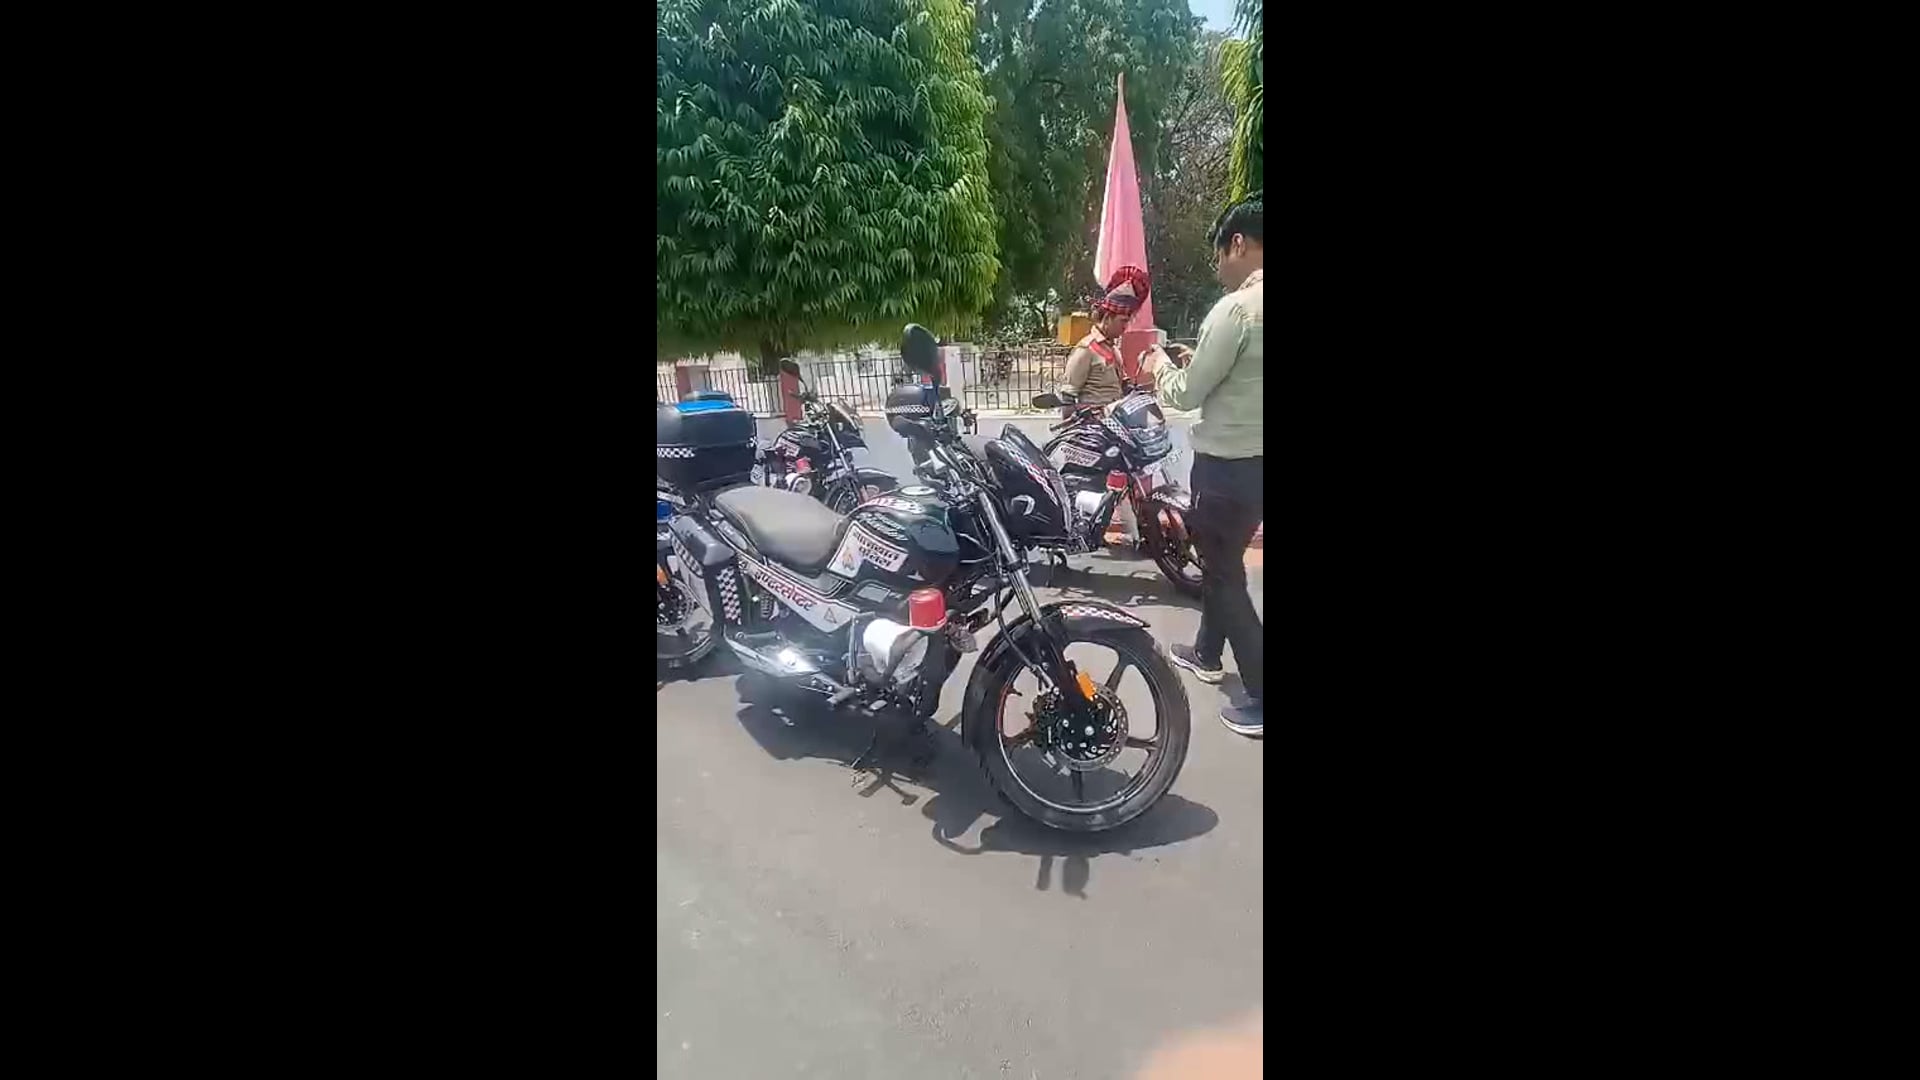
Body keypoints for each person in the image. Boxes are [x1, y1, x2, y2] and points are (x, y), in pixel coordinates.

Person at [1143, 192, 1264, 737]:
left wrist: (1158, 365)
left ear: (1238, 243)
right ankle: (1206, 652)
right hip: (1256, 468)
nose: (1218, 268)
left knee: (1223, 574)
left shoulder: (1236, 309)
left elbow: (1187, 394)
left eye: (1218, 256)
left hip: (1225, 469)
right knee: (1223, 562)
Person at [1058, 266, 1152, 410]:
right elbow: (1068, 397)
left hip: (1115, 420)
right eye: (1122, 321)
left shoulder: (1113, 349)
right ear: (1108, 318)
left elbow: (1122, 387)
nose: (1125, 327)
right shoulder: (1086, 349)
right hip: (1093, 422)